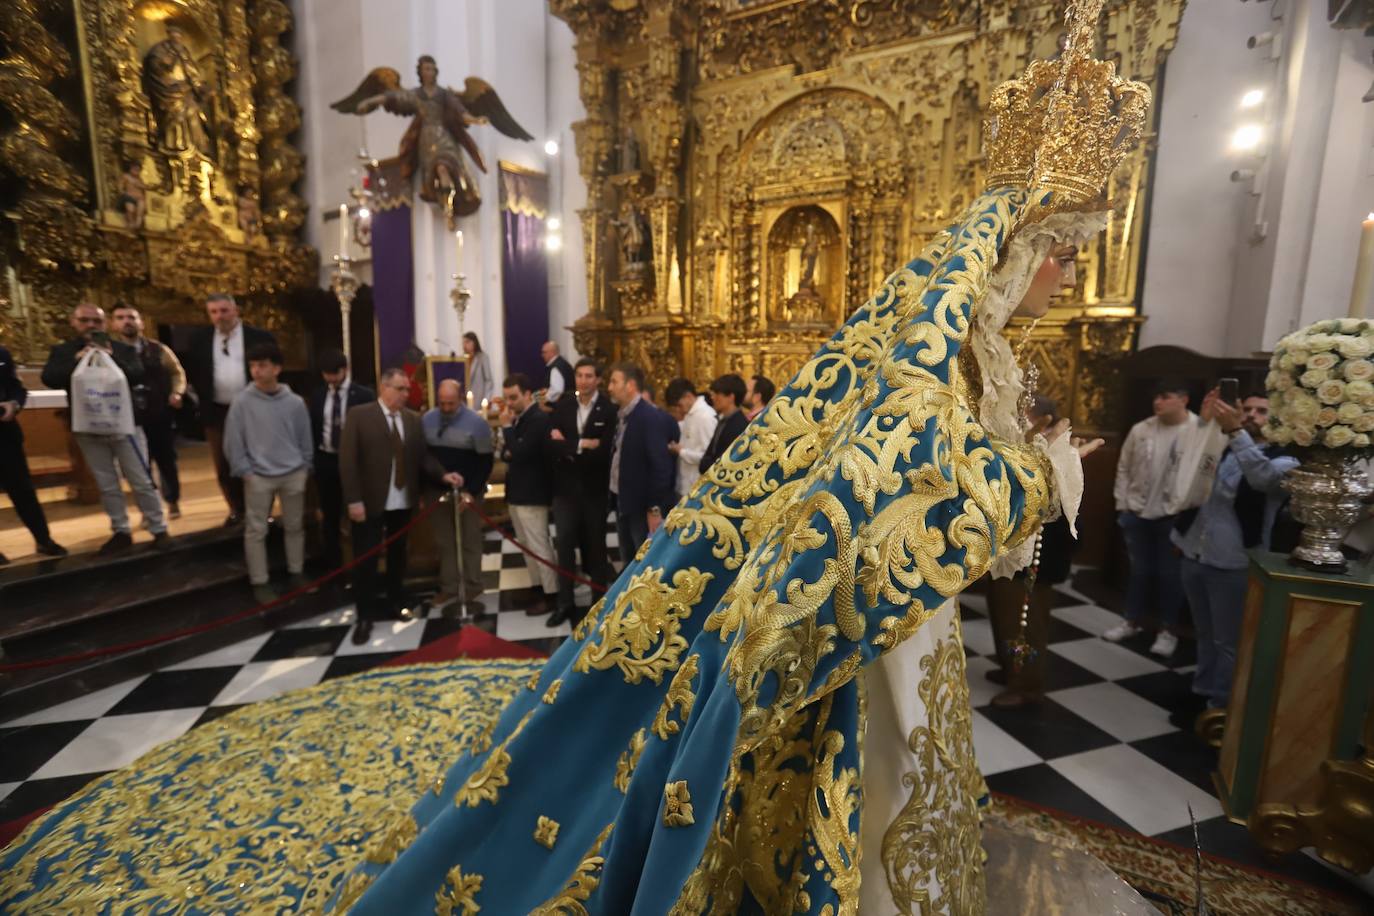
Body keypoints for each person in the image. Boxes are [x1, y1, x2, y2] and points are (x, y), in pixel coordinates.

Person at [0, 8, 1137, 910]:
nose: (1063, 276)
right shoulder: (918, 367)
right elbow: (900, 504)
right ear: (1012, 250)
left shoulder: (957, 356)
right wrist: (1041, 474)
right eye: (1058, 253)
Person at [1171, 389, 1297, 716]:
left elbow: (1262, 479)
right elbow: (1183, 464)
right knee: (1203, 632)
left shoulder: (1286, 459)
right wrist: (1205, 424)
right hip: (1196, 551)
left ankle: (1221, 706)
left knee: (1228, 641)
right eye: (1248, 409)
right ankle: (1201, 692)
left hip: (1234, 561)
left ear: (1280, 420)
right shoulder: (1222, 444)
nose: (1252, 415)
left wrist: (1236, 431)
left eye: (1262, 411)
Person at [41, 304, 171, 555]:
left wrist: (112, 357)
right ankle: (120, 530)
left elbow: (137, 374)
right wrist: (77, 360)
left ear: (105, 324)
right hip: (88, 426)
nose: (91, 325)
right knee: (107, 482)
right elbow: (50, 378)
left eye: (97, 321)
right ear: (74, 322)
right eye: (85, 320)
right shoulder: (64, 351)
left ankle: (158, 528)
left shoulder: (121, 348)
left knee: (141, 479)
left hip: (126, 425)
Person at [340, 368, 457, 643]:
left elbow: (423, 456)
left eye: (407, 389)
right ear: (384, 387)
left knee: (398, 555)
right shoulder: (360, 416)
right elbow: (348, 461)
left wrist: (443, 475)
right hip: (369, 501)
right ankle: (365, 615)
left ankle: (396, 601)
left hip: (403, 500)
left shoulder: (412, 419)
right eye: (400, 388)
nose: (406, 394)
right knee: (366, 558)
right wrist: (354, 500)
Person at [985, 395, 1077, 707]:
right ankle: (1009, 668)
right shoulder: (1026, 447)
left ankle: (1026, 684)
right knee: (1004, 615)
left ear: (1042, 421)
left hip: (1037, 556)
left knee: (1024, 621)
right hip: (1012, 551)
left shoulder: (1057, 453)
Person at [1104, 379, 1195, 655]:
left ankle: (1168, 630)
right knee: (1139, 572)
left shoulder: (1198, 431)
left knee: (1170, 576)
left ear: (1183, 399)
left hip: (1173, 517)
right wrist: (1122, 505)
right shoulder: (1141, 429)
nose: (1158, 402)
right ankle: (1131, 621)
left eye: (1165, 396)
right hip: (1137, 512)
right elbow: (1124, 467)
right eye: (1156, 396)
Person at [223, 343, 313, 604]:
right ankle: (260, 581)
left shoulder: (294, 402)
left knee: (295, 527)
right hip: (258, 476)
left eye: (262, 365)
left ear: (277, 368)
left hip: (293, 472)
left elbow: (305, 437)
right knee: (256, 530)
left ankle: (297, 572)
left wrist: (304, 467)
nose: (256, 371)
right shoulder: (242, 402)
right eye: (252, 366)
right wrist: (245, 471)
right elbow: (233, 441)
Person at [184, 293, 276, 525]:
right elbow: (194, 373)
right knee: (225, 464)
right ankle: (237, 509)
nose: (220, 316)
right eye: (214, 312)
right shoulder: (199, 339)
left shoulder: (260, 337)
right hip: (218, 412)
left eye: (224, 310)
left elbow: (273, 370)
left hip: (255, 408)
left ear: (235, 310)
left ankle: (263, 511)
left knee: (259, 462)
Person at [547, 357, 617, 627]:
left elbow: (604, 451)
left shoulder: (608, 410)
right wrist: (582, 444)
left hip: (594, 491)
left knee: (596, 547)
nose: (583, 381)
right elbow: (551, 446)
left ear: (597, 379)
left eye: (589, 376)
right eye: (579, 375)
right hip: (565, 491)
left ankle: (598, 604)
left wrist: (569, 445)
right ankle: (564, 603)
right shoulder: (563, 406)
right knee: (564, 546)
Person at [423, 378, 493, 614]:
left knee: (470, 539)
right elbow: (424, 457)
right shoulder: (427, 420)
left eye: (450, 403)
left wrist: (471, 491)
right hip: (437, 490)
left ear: (460, 399)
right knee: (445, 542)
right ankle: (449, 587)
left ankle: (474, 584)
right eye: (442, 403)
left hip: (468, 491)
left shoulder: (477, 423)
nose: (446, 408)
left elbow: (485, 462)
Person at [111, 303, 187, 518]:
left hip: (158, 413)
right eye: (121, 318)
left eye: (131, 317)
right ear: (113, 324)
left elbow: (177, 373)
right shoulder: (111, 352)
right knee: (138, 465)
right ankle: (149, 509)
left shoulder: (159, 349)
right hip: (130, 417)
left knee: (166, 460)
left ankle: (172, 500)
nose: (127, 321)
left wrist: (177, 393)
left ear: (141, 323)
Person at [607, 361, 680, 564]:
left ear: (630, 385)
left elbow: (660, 466)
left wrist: (654, 508)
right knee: (629, 559)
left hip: (641, 505)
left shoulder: (648, 417)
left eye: (614, 382)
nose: (610, 387)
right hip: (625, 500)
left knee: (643, 561)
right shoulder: (624, 415)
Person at [308, 349, 375, 569]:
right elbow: (314, 428)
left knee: (358, 516)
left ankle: (360, 568)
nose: (330, 379)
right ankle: (334, 569)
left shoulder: (364, 395)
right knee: (330, 517)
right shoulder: (318, 395)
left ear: (345, 370)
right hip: (326, 460)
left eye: (334, 374)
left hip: (355, 463)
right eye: (326, 374)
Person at [0, 344, 66, 563]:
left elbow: (16, 387)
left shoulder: (2, 353)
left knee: (23, 490)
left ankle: (43, 539)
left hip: (5, 434)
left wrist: (14, 404)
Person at [499, 372, 558, 615]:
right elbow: (506, 453)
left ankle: (551, 594)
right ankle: (537, 588)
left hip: (532, 493)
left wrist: (507, 429)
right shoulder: (521, 418)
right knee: (526, 546)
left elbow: (520, 453)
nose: (509, 403)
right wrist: (512, 446)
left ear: (527, 394)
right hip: (518, 491)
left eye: (513, 397)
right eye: (506, 398)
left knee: (539, 545)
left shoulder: (538, 419)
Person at [665, 377, 717, 498]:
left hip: (698, 488)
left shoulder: (705, 417)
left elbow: (708, 457)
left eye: (679, 404)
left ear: (688, 396)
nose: (679, 409)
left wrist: (681, 451)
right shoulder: (690, 415)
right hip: (685, 486)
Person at [700, 372, 749, 475]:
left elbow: (724, 463)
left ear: (731, 397)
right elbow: (708, 456)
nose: (712, 397)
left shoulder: (738, 425)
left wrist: (707, 463)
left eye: (717, 394)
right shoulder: (724, 420)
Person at [462, 331, 494, 405]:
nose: (464, 345)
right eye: (463, 343)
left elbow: (488, 380)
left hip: (479, 397)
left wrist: (486, 399)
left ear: (474, 342)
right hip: (465, 399)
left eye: (467, 342)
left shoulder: (482, 357)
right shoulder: (463, 359)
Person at [539, 340, 574, 406]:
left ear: (552, 352)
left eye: (544, 352)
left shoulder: (556, 368)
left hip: (559, 407)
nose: (542, 355)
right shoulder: (563, 364)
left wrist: (541, 399)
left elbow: (556, 391)